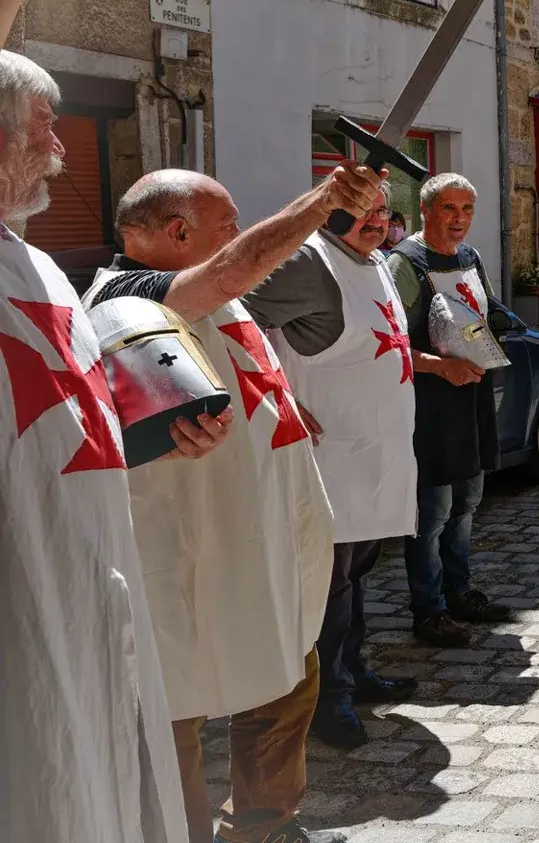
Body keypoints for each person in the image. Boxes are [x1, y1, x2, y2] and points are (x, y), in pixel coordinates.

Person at [85, 162, 384, 843]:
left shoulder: (199, 289)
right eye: (227, 227)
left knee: (287, 670)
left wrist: (283, 402)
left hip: (260, 526)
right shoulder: (125, 296)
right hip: (191, 544)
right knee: (176, 699)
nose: (238, 238)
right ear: (177, 232)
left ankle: (263, 826)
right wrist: (322, 204)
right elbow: (229, 274)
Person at [2, 47, 223, 843]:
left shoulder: (39, 267)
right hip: (25, 589)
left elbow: (64, 423)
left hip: (95, 572)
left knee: (108, 779)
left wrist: (153, 438)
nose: (61, 147)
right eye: (43, 125)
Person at [244, 187, 428, 751]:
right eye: (362, 210)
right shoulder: (309, 262)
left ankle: (352, 670)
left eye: (382, 211)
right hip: (332, 455)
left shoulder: (375, 262)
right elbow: (236, 316)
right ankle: (327, 698)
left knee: (357, 574)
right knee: (330, 584)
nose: (375, 221)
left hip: (376, 452)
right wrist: (276, 393)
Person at [387, 174, 513, 648]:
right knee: (432, 510)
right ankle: (429, 610)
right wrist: (441, 367)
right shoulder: (404, 263)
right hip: (431, 401)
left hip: (470, 395)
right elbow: (391, 344)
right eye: (448, 208)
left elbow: (483, 314)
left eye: (467, 209)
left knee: (467, 501)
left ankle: (458, 591)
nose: (459, 219)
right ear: (425, 210)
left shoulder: (469, 257)